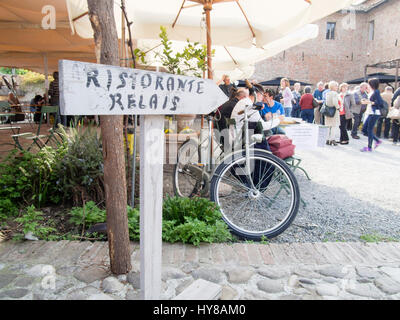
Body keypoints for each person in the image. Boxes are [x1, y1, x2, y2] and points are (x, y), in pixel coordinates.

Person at [361, 78, 384, 152]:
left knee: (369, 129)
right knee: (365, 129)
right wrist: (368, 101)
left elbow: (380, 103)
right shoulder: (374, 91)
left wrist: (370, 102)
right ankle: (377, 140)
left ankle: (369, 147)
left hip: (374, 113)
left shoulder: (376, 92)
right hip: (371, 112)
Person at [324, 81, 341, 146]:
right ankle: (332, 139)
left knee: (328, 126)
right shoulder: (335, 93)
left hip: (327, 111)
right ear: (333, 87)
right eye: (336, 86)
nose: (337, 87)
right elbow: (335, 102)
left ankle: (327, 139)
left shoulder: (327, 93)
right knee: (334, 126)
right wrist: (338, 107)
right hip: (334, 111)